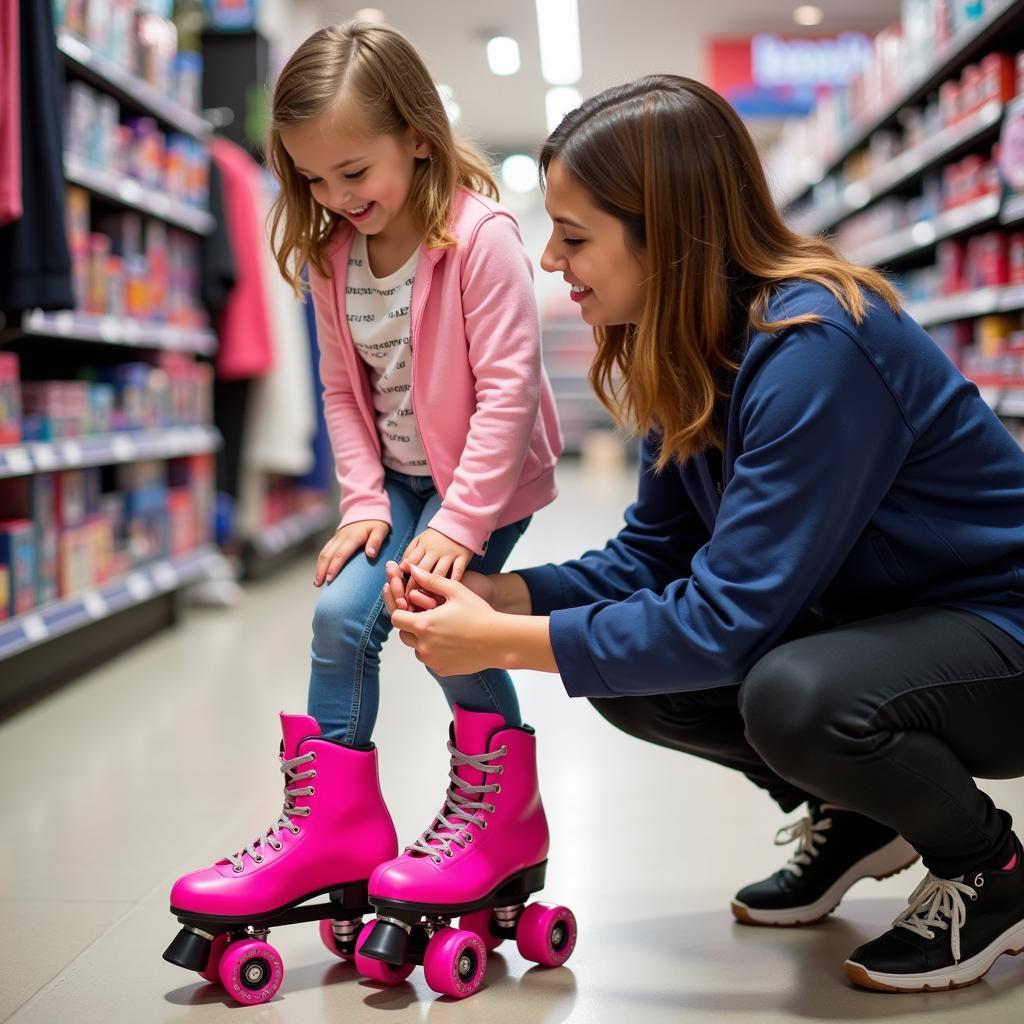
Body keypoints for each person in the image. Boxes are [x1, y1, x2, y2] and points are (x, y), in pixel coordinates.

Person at [384, 74, 1024, 995]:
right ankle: (857, 814)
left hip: (999, 634)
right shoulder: (690, 347)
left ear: (667, 231)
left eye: (574, 236)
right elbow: (651, 556)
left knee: (792, 695)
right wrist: (508, 596)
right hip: (887, 625)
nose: (552, 260)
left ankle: (989, 871)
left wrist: (510, 644)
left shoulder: (816, 347)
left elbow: (729, 616)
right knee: (634, 682)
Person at [165, 22, 563, 990]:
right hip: (396, 481)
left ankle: (501, 816)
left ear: (415, 136)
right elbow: (342, 393)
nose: (337, 199)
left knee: (440, 621)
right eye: (312, 180)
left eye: (353, 171)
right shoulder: (332, 255)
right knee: (341, 611)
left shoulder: (480, 238)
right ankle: (336, 830)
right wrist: (364, 504)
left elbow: (508, 393)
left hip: (484, 478)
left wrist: (459, 529)